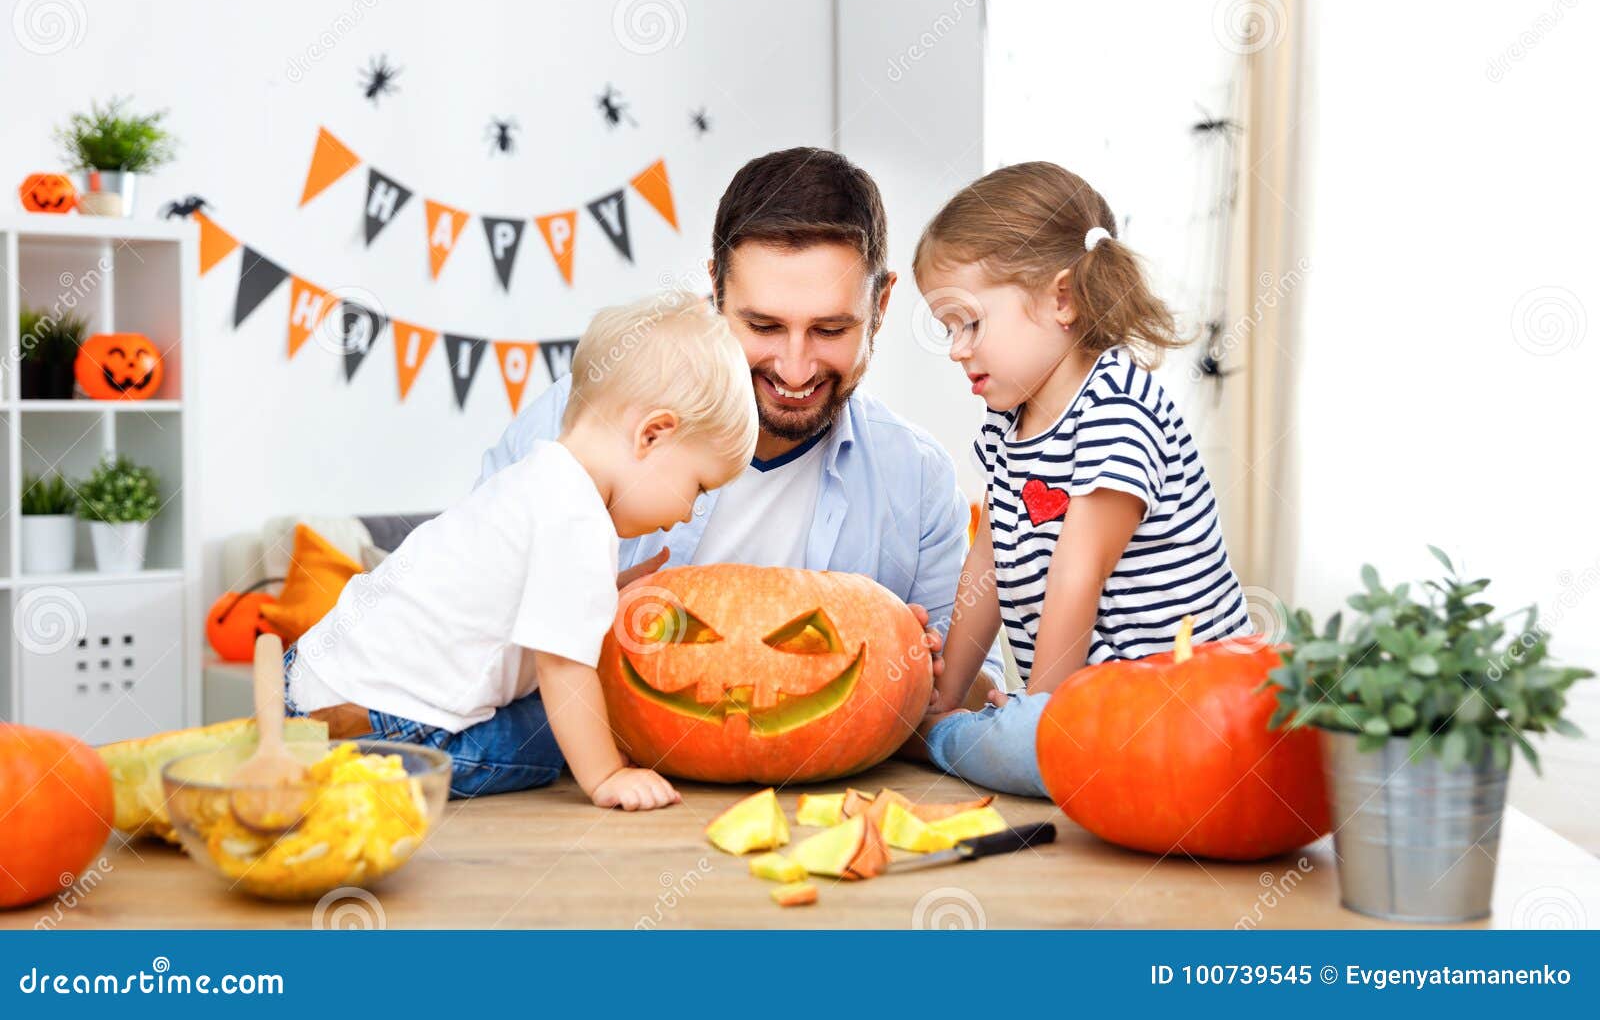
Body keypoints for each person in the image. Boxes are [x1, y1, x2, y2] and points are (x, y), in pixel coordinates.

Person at [479, 147, 1006, 701]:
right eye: (763, 326)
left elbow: (970, 707)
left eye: (830, 330)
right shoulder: (585, 420)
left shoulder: (917, 481)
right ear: (716, 291)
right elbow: (465, 627)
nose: (795, 368)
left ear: (881, 304)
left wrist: (925, 677)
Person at [285, 292, 757, 808]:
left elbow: (525, 594)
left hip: (310, 683)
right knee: (558, 731)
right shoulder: (577, 519)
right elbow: (562, 668)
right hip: (380, 736)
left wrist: (606, 588)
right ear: (652, 435)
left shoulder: (536, 478)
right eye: (699, 486)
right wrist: (604, 777)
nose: (690, 512)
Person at [907, 162, 1250, 796]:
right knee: (964, 724)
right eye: (946, 329)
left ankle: (949, 740)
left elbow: (1077, 573)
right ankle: (951, 729)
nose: (956, 348)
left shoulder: (1118, 410)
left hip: (1186, 710)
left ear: (1062, 299)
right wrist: (942, 693)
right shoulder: (1007, 425)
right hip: (1102, 713)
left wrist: (1038, 720)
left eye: (970, 323)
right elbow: (987, 563)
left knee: (1017, 746)